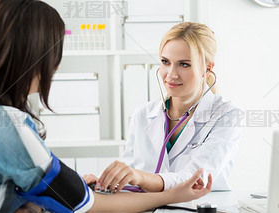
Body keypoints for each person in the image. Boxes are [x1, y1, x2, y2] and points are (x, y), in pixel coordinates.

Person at [0, 1, 212, 212]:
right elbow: (86, 205)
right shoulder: (9, 127)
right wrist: (170, 196)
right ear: (35, 57)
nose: (56, 67)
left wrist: (62, 189)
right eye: (56, 53)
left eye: (185, 64)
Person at [84, 22, 242, 193]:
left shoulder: (226, 115)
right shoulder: (143, 115)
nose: (171, 74)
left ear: (207, 67)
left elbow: (195, 179)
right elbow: (128, 174)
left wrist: (140, 177)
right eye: (165, 62)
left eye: (184, 64)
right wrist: (103, 181)